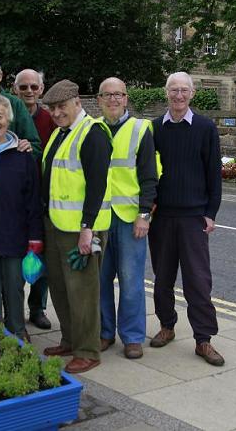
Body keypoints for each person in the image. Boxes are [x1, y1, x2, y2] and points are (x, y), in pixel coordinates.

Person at [148, 71, 225, 366]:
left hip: (194, 217)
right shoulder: (155, 128)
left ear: (192, 94)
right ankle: (167, 326)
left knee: (198, 281)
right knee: (162, 278)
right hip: (163, 217)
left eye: (184, 90)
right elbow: (147, 174)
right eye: (173, 90)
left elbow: (213, 176)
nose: (179, 95)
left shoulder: (205, 128)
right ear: (166, 93)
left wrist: (210, 213)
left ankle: (203, 340)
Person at [40, 79, 112, 374]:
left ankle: (88, 350)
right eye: (53, 108)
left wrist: (87, 229)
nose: (57, 113)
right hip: (57, 225)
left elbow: (97, 185)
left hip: (81, 230)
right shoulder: (61, 134)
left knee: (83, 292)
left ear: (78, 103)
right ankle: (70, 339)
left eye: (62, 106)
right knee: (60, 289)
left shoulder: (92, 133)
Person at [96, 77, 158, 359]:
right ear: (99, 99)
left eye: (118, 95)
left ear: (126, 98)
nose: (113, 100)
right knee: (100, 279)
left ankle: (132, 337)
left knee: (131, 280)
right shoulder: (92, 129)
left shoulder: (140, 128)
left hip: (130, 217)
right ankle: (104, 332)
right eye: (107, 95)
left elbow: (149, 177)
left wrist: (144, 214)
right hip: (99, 217)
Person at [0, 94, 43, 340]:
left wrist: (35, 237)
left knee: (15, 287)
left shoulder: (23, 154)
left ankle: (17, 330)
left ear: (9, 119)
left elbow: (33, 199)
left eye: (0, 116)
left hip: (16, 233)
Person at [13, 68, 56, 331]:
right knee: (15, 259)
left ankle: (37, 308)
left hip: (42, 198)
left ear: (41, 89)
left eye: (33, 87)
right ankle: (14, 309)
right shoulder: (9, 114)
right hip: (15, 200)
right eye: (23, 87)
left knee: (42, 259)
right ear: (15, 89)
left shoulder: (51, 119)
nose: (29, 91)